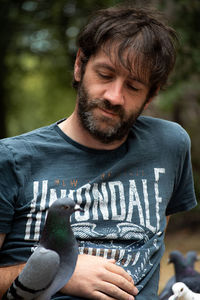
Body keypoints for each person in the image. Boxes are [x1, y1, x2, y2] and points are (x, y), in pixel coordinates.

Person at [0, 4, 197, 300]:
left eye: (133, 86)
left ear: (151, 95)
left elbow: (152, 243)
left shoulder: (169, 146)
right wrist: (57, 274)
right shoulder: (12, 158)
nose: (114, 97)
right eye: (105, 74)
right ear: (80, 64)